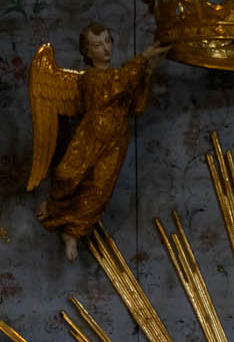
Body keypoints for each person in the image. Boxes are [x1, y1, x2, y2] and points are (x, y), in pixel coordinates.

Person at [26, 25, 163, 260]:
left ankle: (73, 232)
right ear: (87, 51)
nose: (106, 48)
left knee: (99, 191)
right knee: (67, 175)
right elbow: (119, 81)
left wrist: (147, 73)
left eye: (108, 41)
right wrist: (145, 57)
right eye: (98, 45)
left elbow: (137, 108)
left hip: (116, 142)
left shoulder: (121, 79)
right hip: (90, 136)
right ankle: (53, 205)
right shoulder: (90, 79)